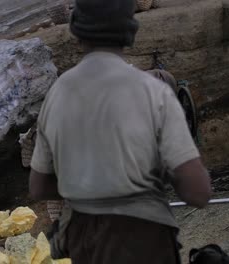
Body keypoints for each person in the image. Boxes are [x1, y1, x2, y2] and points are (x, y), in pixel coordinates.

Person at [29, 0, 212, 263]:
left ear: (76, 30)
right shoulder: (154, 92)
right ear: (130, 30)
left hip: (85, 241)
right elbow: (198, 192)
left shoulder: (57, 95)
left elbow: (39, 186)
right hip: (146, 240)